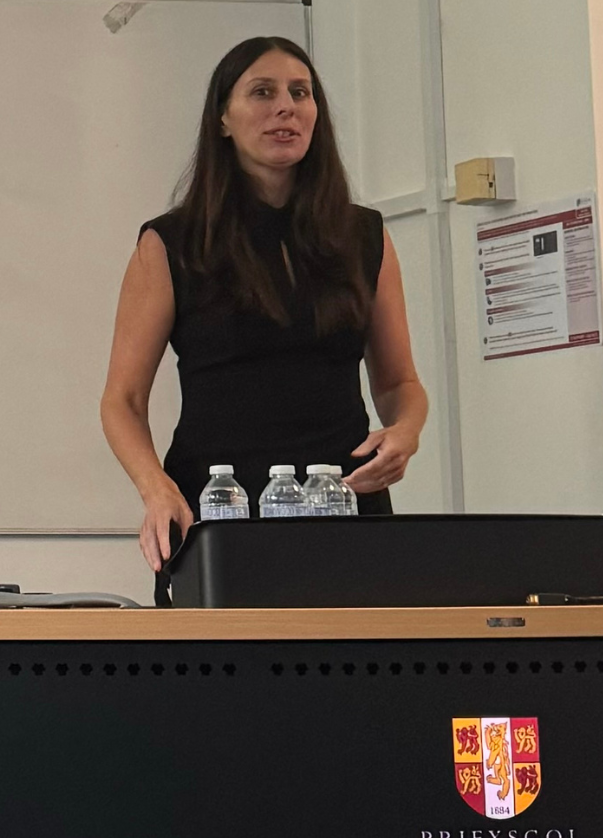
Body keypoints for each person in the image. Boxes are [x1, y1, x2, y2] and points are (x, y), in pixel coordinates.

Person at [100, 36, 429, 598]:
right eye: (263, 92)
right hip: (218, 507)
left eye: (300, 93)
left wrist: (406, 433)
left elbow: (399, 383)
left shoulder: (363, 236)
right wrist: (155, 489)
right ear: (223, 120)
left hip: (343, 502)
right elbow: (122, 401)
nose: (286, 107)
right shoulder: (172, 244)